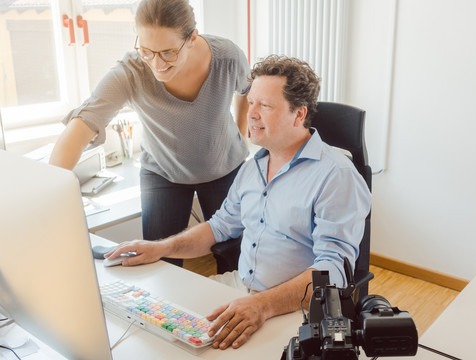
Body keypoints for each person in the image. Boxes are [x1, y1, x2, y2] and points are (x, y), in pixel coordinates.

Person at [105, 55, 371, 350]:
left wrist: (262, 305)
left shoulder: (336, 176)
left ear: (299, 115)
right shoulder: (251, 168)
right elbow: (219, 227)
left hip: (300, 308)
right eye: (251, 101)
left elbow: (332, 271)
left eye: (265, 106)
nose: (251, 113)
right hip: (240, 289)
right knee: (158, 334)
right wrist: (161, 247)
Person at [49, 0, 250, 266]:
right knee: (159, 259)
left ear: (192, 38)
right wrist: (51, 195)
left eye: (168, 52)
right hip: (163, 171)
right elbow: (82, 125)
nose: (156, 64)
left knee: (234, 254)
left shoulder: (227, 57)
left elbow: (246, 91)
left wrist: (241, 132)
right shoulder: (131, 72)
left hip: (223, 166)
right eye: (146, 50)